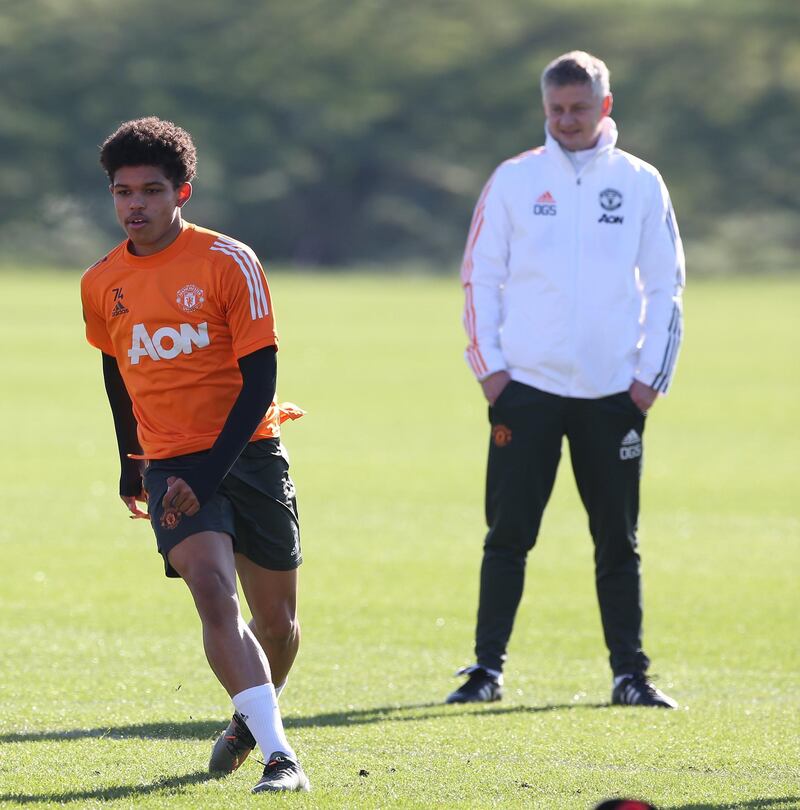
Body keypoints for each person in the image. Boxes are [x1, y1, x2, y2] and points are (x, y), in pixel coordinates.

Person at [80, 117, 310, 792]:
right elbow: (116, 372)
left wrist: (213, 468)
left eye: (151, 191)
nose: (135, 206)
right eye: (123, 192)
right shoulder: (100, 282)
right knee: (213, 593)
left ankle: (247, 722)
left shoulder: (227, 262)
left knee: (279, 622)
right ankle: (280, 757)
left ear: (182, 191)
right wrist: (133, 461)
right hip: (171, 462)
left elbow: (260, 380)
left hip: (250, 452)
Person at [448, 52, 684, 708]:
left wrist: (648, 379)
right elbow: (481, 275)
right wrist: (491, 371)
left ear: (605, 106)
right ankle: (485, 670)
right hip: (525, 389)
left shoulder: (640, 183)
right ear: (544, 108)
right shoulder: (515, 180)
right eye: (556, 109)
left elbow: (667, 284)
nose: (567, 120)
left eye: (579, 108)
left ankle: (630, 675)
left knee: (618, 540)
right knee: (508, 535)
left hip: (614, 394)